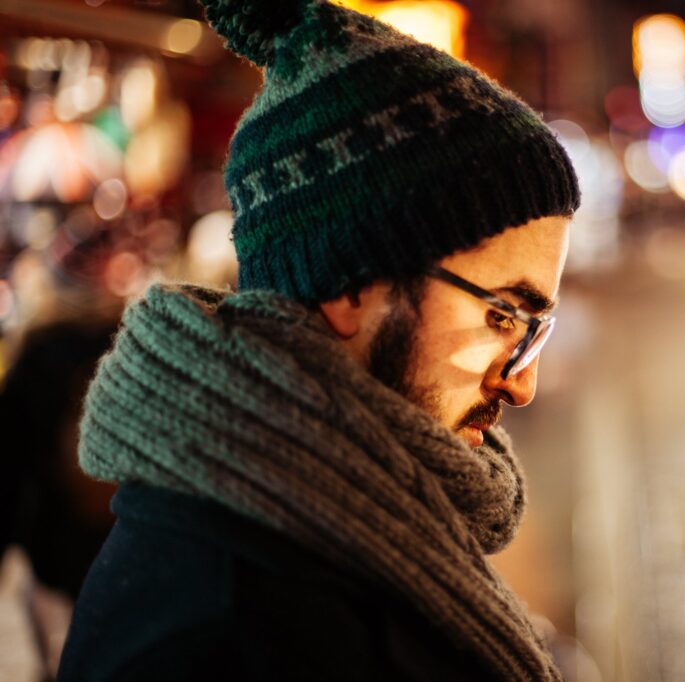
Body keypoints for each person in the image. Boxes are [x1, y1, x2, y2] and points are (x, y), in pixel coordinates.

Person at [57, 0, 580, 680]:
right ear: (352, 284)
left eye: (534, 329)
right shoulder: (220, 630)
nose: (521, 382)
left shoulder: (347, 533)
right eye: (504, 315)